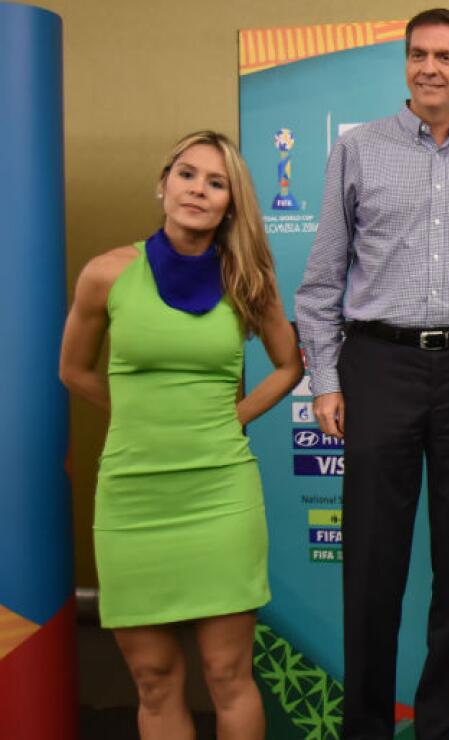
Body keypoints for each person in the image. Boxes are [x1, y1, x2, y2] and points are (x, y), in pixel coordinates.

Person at [293, 8, 449, 739]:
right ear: (406, 65)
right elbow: (320, 281)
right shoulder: (357, 151)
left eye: (446, 57)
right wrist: (325, 380)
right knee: (375, 563)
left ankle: (439, 723)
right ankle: (367, 727)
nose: (430, 68)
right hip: (378, 363)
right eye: (418, 54)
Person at [58, 130, 302, 740]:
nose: (198, 190)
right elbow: (73, 369)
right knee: (155, 680)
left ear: (230, 203)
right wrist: (137, 412)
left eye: (215, 182)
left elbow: (290, 364)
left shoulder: (247, 277)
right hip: (133, 496)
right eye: (187, 175)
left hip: (220, 492)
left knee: (227, 674)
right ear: (163, 183)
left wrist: (234, 417)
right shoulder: (107, 274)